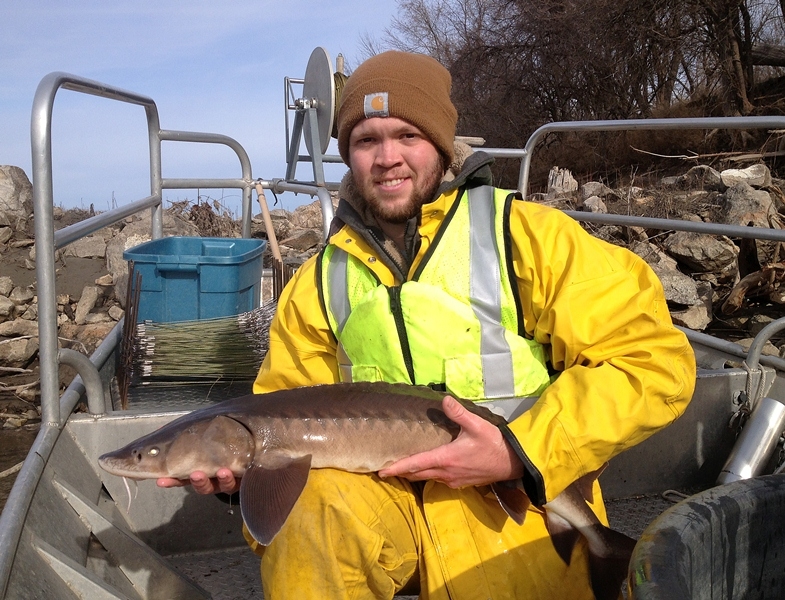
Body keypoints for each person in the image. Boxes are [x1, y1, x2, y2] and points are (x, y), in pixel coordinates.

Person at [159, 50, 696, 599]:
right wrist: (241, 476)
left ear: (440, 144)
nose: (387, 158)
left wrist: (519, 451)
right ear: (349, 155)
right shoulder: (318, 282)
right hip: (387, 511)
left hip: (516, 503)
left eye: (407, 135)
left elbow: (652, 363)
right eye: (367, 141)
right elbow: (277, 409)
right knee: (312, 514)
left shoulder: (529, 237)